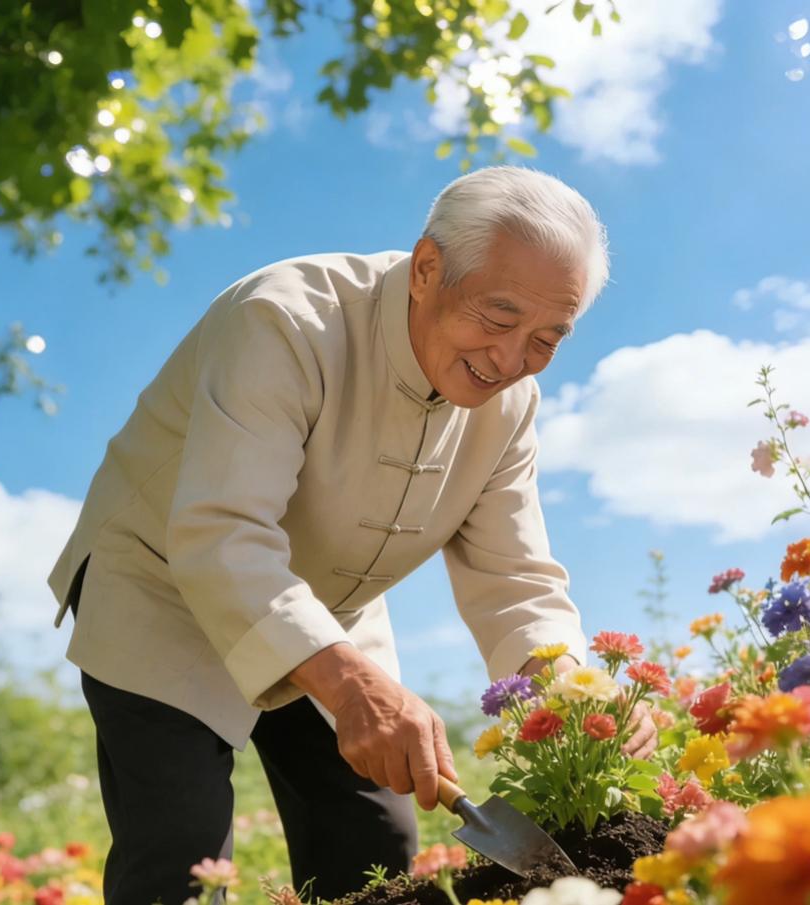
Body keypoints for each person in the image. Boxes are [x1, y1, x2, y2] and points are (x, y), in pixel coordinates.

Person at [47, 166, 657, 905]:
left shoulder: (510, 405)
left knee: (375, 846)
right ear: (427, 269)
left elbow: (514, 577)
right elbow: (222, 533)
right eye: (498, 318)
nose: (510, 361)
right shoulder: (285, 320)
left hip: (330, 612)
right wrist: (349, 683)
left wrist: (575, 697)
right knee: (178, 857)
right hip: (163, 583)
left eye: (547, 339)